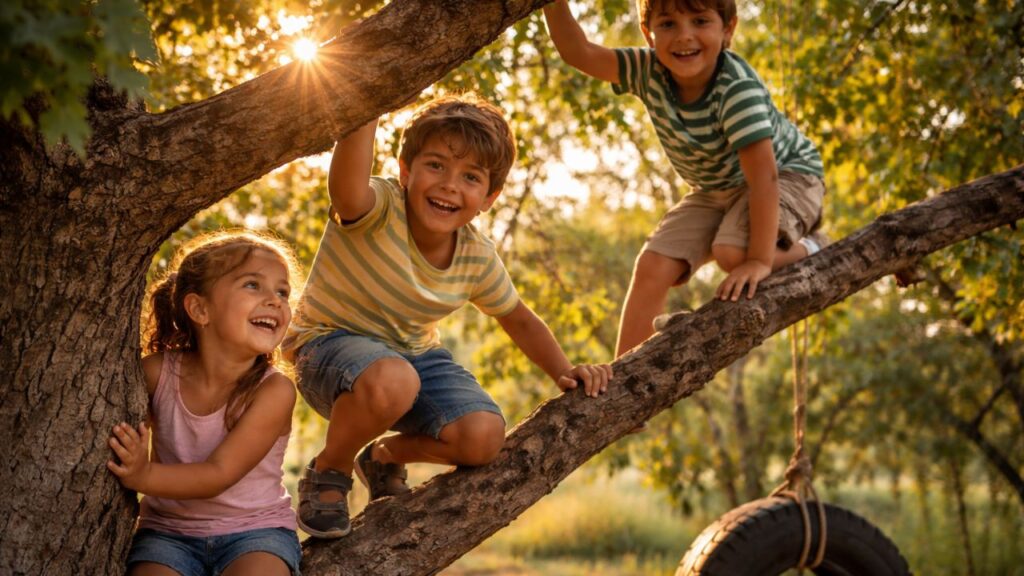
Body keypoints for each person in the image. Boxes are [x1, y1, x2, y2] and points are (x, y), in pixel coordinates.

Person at [283, 94, 613, 539]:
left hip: (411, 358)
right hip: (325, 347)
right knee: (395, 378)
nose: (449, 186)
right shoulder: (379, 207)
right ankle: (330, 469)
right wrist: (367, 101)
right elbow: (345, 191)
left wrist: (564, 371)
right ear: (405, 171)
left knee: (483, 436)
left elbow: (519, 319)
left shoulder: (476, 256)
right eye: (436, 165)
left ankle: (384, 456)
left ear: (490, 197)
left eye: (470, 177)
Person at [544, 0, 828, 357]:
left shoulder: (736, 90)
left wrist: (759, 261)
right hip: (715, 188)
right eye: (668, 24)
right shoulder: (647, 70)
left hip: (789, 176)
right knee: (652, 265)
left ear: (728, 28)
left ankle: (813, 246)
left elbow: (764, 180)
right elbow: (579, 52)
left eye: (700, 21)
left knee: (733, 253)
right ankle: (622, 377)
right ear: (648, 33)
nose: (684, 36)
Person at [107, 231, 302, 576]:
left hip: (256, 532)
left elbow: (219, 474)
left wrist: (143, 475)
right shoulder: (156, 373)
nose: (275, 301)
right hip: (168, 533)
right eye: (253, 285)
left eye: (282, 292)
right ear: (199, 309)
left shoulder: (274, 391)